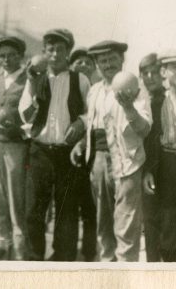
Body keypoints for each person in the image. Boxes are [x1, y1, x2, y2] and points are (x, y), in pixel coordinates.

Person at [71, 40, 152, 262]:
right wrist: (81, 145)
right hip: (98, 161)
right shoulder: (95, 90)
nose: (107, 64)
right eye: (102, 60)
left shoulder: (135, 87)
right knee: (103, 227)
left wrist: (128, 107)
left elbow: (145, 129)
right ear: (96, 64)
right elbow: (94, 124)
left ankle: (125, 275)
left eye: (112, 59)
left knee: (126, 230)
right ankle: (108, 270)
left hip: (127, 163)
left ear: (122, 60)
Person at [18, 28, 90, 261]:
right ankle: (34, 258)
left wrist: (81, 122)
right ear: (44, 52)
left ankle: (63, 260)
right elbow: (25, 115)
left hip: (68, 154)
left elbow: (92, 112)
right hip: (39, 151)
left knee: (67, 211)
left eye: (61, 49)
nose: (56, 54)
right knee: (34, 211)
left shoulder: (80, 80)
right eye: (51, 50)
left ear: (68, 52)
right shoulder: (35, 78)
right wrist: (31, 84)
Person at [0, 36, 29, 260]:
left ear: (20, 56)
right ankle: (2, 253)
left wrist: (21, 128)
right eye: (2, 55)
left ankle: (19, 258)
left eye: (11, 55)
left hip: (15, 148)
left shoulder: (29, 79)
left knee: (16, 205)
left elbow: (36, 113)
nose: (6, 59)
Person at [143, 50, 176, 262]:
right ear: (164, 72)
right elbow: (151, 139)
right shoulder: (158, 102)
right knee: (165, 217)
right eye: (175, 67)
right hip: (164, 164)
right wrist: (149, 170)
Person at [68, 48, 98, 262]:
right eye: (79, 62)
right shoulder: (66, 87)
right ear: (71, 66)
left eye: (89, 62)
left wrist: (83, 141)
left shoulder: (98, 90)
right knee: (67, 205)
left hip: (92, 154)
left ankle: (89, 252)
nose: (84, 65)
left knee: (89, 206)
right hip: (65, 154)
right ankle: (67, 253)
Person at [138, 53, 166, 262]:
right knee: (150, 222)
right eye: (145, 73)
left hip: (164, 167)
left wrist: (150, 169)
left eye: (154, 72)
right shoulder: (141, 100)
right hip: (146, 167)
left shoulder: (166, 99)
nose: (150, 77)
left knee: (167, 224)